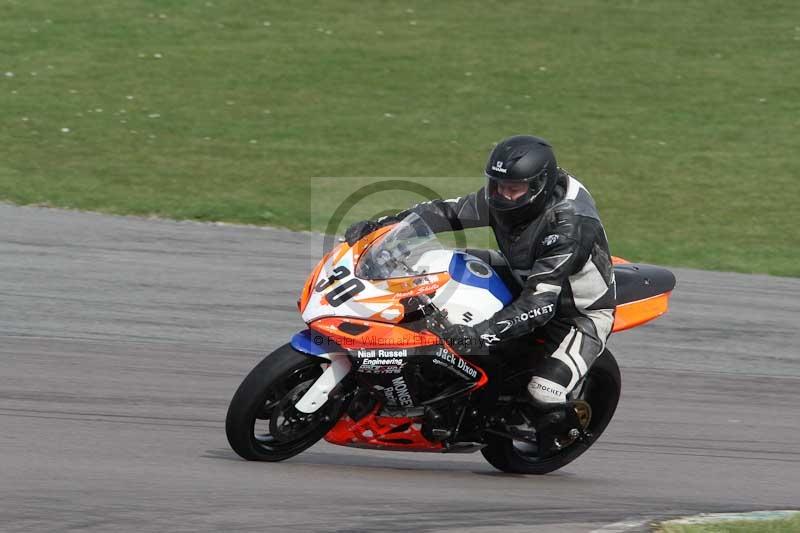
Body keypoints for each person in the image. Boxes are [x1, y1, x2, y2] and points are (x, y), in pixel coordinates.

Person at [344, 135, 616, 456]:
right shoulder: (506, 195)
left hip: (574, 314)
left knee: (543, 392)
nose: (503, 195)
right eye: (497, 185)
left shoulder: (568, 226)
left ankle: (562, 429)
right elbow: (445, 213)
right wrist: (384, 228)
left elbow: (540, 304)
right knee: (434, 274)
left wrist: (479, 334)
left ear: (539, 186)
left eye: (513, 189)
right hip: (520, 275)